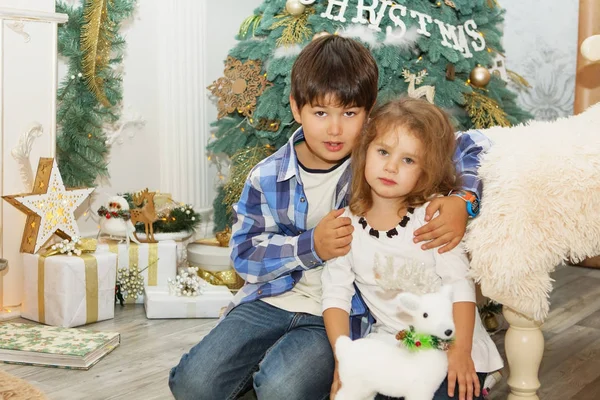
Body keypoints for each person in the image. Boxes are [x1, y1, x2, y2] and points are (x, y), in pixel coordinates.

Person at [169, 35, 491, 400]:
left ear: (368, 113)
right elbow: (244, 258)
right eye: (320, 113)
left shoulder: (374, 165)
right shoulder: (267, 176)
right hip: (267, 301)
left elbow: (472, 144)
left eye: (350, 113)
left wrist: (463, 199)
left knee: (282, 388)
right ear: (296, 108)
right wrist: (311, 246)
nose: (335, 129)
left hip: (334, 313)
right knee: (192, 385)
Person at [321, 97, 503, 400]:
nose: (391, 167)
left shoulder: (433, 218)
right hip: (393, 344)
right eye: (383, 151)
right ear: (365, 151)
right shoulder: (345, 226)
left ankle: (481, 381)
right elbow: (335, 295)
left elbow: (460, 288)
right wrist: (344, 361)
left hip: (451, 344)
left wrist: (460, 352)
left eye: (408, 160)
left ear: (425, 170)